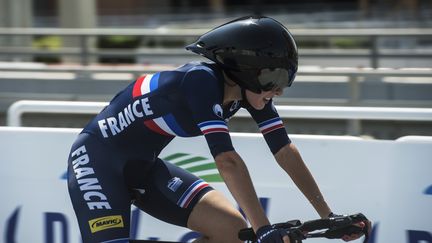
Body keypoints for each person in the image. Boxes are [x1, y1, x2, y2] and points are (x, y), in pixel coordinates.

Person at [67, 16, 369, 243]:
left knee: (233, 234)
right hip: (96, 160)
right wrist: (263, 229)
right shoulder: (201, 81)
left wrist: (328, 216)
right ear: (246, 70)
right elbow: (227, 160)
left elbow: (285, 151)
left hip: (143, 165)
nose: (278, 91)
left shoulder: (248, 91)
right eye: (274, 78)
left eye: (285, 80)